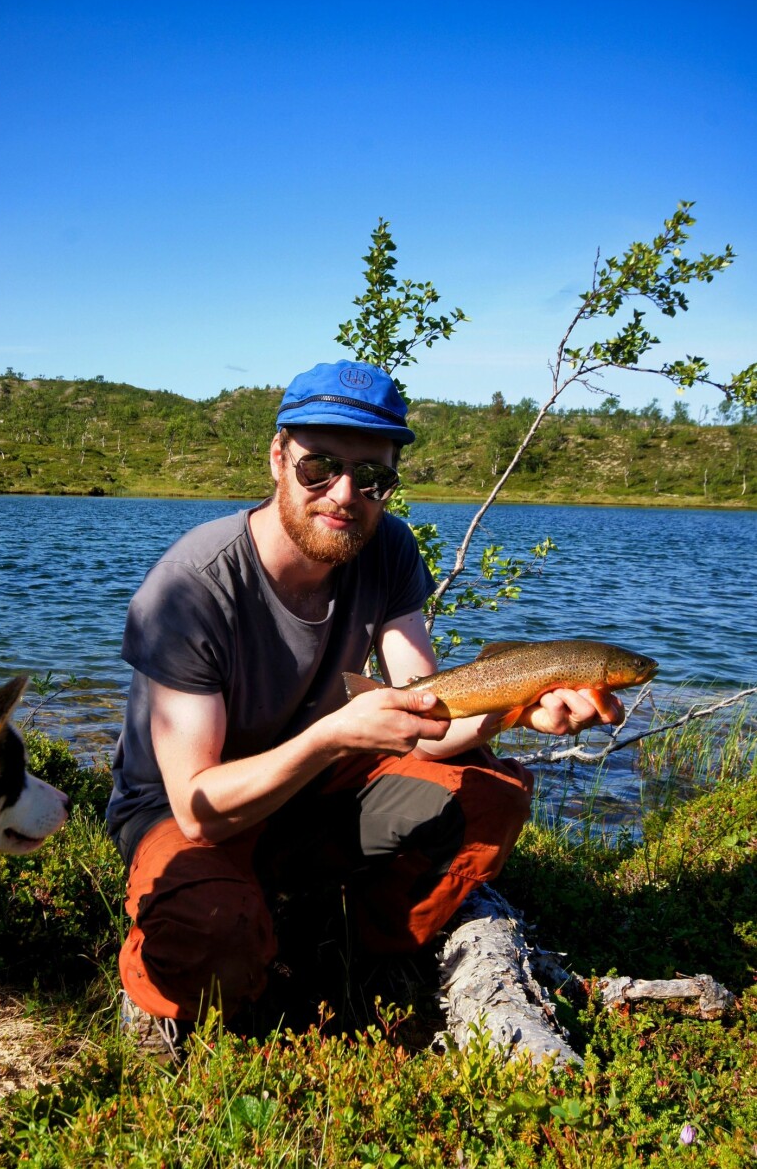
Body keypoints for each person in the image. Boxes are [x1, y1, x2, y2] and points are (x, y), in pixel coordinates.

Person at [107, 359, 622, 1062]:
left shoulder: (388, 548)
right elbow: (199, 810)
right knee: (212, 931)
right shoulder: (191, 588)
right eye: (319, 467)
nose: (345, 495)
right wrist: (331, 737)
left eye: (372, 476)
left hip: (312, 788)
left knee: (487, 795)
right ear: (278, 458)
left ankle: (338, 946)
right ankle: (163, 991)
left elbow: (427, 717)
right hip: (188, 812)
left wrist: (513, 708)